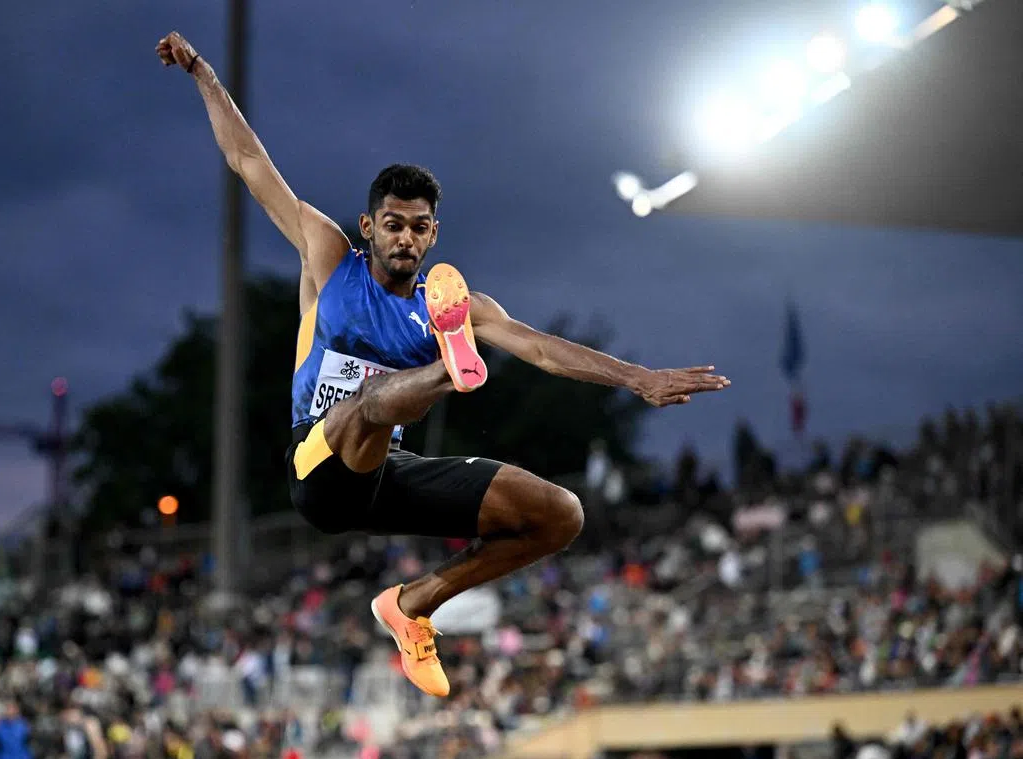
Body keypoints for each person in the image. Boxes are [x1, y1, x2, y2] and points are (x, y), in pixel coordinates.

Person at [157, 31, 731, 697]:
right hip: (316, 464)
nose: (406, 235)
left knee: (560, 515)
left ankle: (411, 605)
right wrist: (202, 73)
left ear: (434, 234)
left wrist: (639, 378)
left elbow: (542, 349)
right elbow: (248, 160)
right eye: (393, 223)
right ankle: (450, 372)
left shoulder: (455, 301)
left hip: (384, 471)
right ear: (370, 227)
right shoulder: (327, 258)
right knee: (367, 405)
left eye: (419, 226)